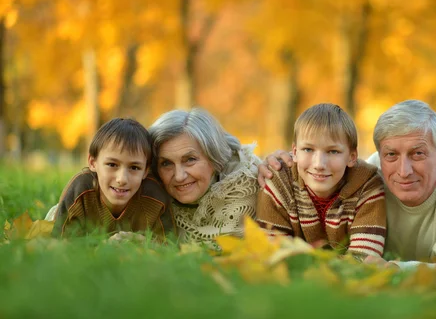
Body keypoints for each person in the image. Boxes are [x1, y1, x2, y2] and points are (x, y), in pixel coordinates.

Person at [259, 100, 436, 271]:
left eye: (418, 154)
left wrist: (389, 269)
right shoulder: (370, 177)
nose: (404, 171)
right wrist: (281, 165)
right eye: (391, 155)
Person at [257, 103, 386, 258]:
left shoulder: (368, 186)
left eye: (333, 151)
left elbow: (364, 260)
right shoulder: (279, 181)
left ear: (352, 157)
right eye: (308, 149)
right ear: (295, 152)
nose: (319, 164)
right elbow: (271, 255)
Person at [148, 108, 261, 245]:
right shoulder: (151, 190)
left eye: (190, 159)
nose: (179, 176)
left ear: (214, 157)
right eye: (166, 163)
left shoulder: (244, 185)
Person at [52, 118, 175, 241]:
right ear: (93, 162)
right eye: (112, 165)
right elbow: (58, 243)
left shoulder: (155, 198)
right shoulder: (80, 191)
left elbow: (170, 246)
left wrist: (142, 241)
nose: (122, 179)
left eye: (134, 167)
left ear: (145, 171)